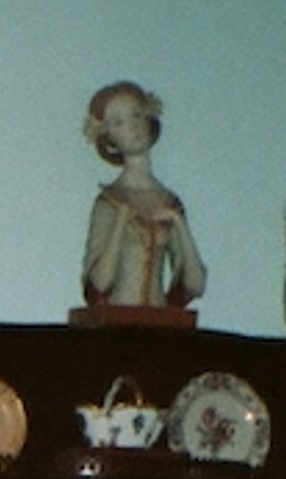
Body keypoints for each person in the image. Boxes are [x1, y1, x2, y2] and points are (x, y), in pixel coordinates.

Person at [80, 82, 205, 315]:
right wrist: (121, 221)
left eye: (137, 115)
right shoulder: (109, 202)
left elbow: (195, 285)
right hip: (118, 322)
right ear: (109, 138)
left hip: (159, 322)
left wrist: (179, 224)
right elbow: (99, 283)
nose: (133, 127)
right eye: (119, 122)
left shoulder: (168, 201)